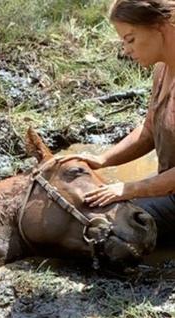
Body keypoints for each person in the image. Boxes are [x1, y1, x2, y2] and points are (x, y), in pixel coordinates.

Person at [58, 0, 175, 245]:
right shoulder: (163, 70)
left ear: (160, 26)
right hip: (168, 191)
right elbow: (149, 131)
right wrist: (103, 160)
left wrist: (128, 189)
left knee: (109, 229)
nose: (125, 50)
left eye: (130, 39)